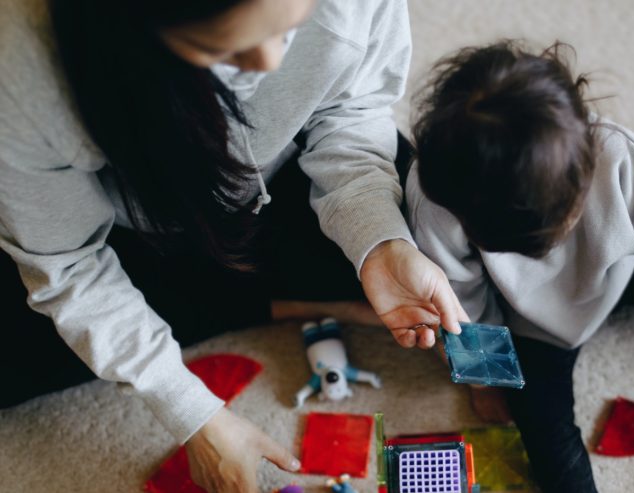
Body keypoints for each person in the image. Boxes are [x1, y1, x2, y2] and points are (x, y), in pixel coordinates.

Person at [0, 0, 467, 491]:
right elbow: (69, 266)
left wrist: (378, 242)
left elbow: (353, 108)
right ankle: (272, 300)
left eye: (291, 27)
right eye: (222, 48)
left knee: (438, 221)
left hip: (280, 179)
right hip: (132, 226)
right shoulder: (22, 69)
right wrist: (195, 415)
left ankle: (254, 299)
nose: (269, 64)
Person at [406, 40, 634, 493]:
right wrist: (484, 383)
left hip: (619, 271)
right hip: (533, 329)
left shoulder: (620, 155)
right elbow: (462, 310)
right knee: (550, 447)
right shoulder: (437, 205)